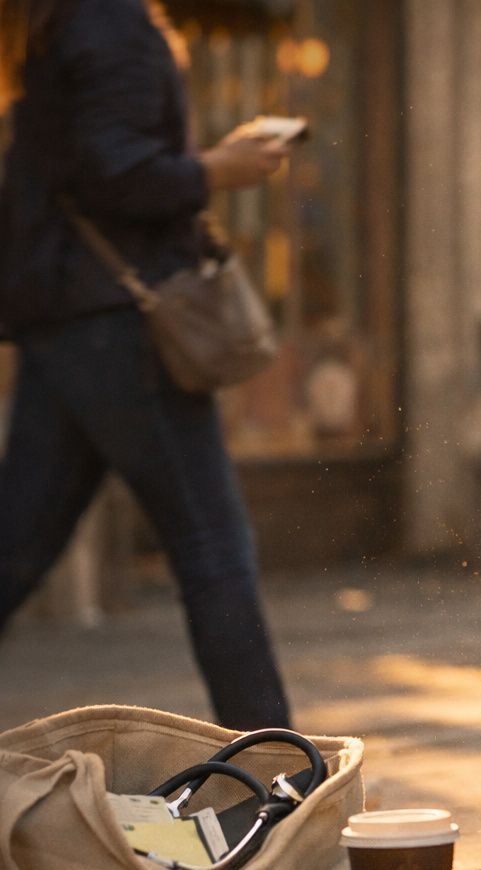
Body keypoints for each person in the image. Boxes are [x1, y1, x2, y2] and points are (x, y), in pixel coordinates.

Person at [0, 0, 293, 729]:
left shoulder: (66, 21)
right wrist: (219, 169)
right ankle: (279, 776)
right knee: (212, 547)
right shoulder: (109, 22)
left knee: (17, 548)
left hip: (72, 323)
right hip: (123, 326)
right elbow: (118, 173)